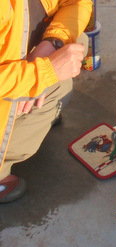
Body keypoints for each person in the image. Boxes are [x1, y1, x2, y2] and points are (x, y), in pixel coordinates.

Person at [0, 0, 93, 203]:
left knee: (76, 42)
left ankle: (40, 113)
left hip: (20, 69)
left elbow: (78, 2)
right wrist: (42, 73)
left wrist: (51, 43)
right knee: (59, 79)